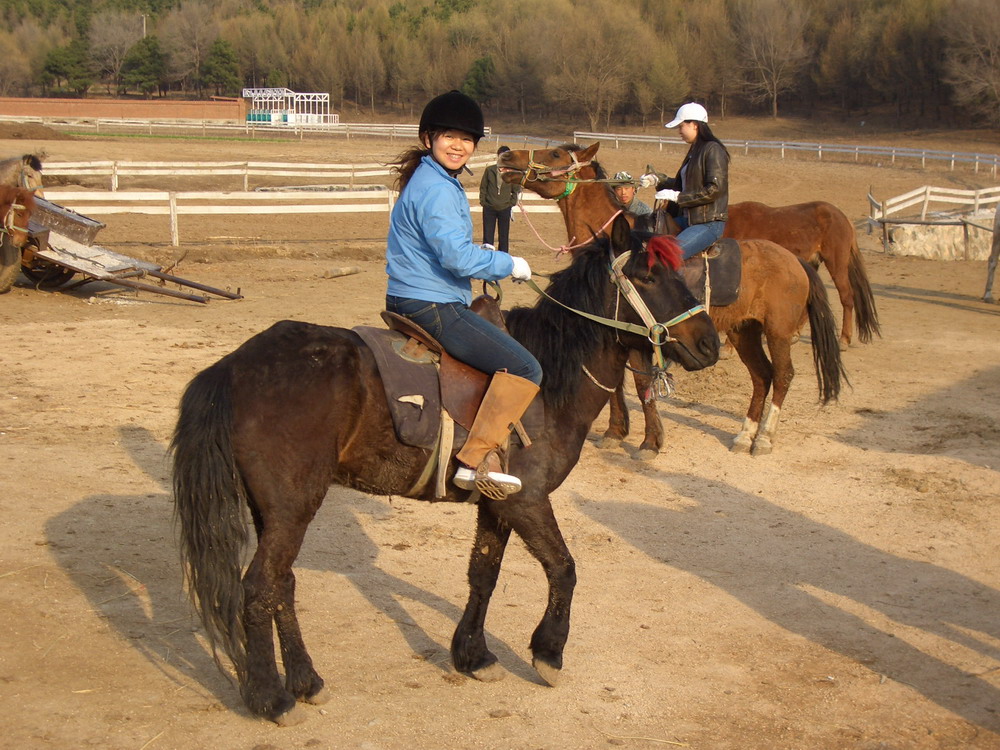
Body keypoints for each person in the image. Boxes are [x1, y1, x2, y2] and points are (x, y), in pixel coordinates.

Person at [385, 90, 542, 498]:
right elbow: (455, 257)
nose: (458, 145)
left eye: (467, 139)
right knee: (526, 368)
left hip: (413, 293)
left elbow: (447, 245)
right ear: (428, 139)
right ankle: (474, 461)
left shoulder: (434, 179)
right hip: (432, 302)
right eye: (449, 136)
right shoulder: (438, 187)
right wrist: (509, 264)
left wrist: (484, 253)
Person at [640, 102, 729, 260]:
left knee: (667, 256)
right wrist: (657, 180)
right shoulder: (695, 150)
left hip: (707, 223)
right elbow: (685, 185)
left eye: (681, 126)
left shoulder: (713, 150)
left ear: (694, 125)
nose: (679, 131)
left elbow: (715, 189)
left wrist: (678, 197)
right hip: (688, 218)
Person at [479, 145, 520, 253]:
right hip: (489, 207)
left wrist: (511, 202)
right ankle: (487, 256)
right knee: (488, 234)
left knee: (504, 235)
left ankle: (503, 257)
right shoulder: (489, 170)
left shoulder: (512, 173)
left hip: (504, 207)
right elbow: (483, 187)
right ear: (498, 156)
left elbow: (515, 189)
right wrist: (484, 201)